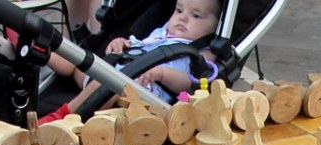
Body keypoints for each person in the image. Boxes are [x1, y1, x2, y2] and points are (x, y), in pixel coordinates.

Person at [38, 0, 221, 124]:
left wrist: (163, 74)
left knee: (109, 83)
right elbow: (137, 45)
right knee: (79, 60)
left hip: (139, 95)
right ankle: (39, 51)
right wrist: (122, 43)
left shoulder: (203, 53)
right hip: (117, 74)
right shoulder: (162, 33)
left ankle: (63, 116)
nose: (183, 17)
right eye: (179, 10)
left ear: (215, 26)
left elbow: (191, 82)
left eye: (196, 16)